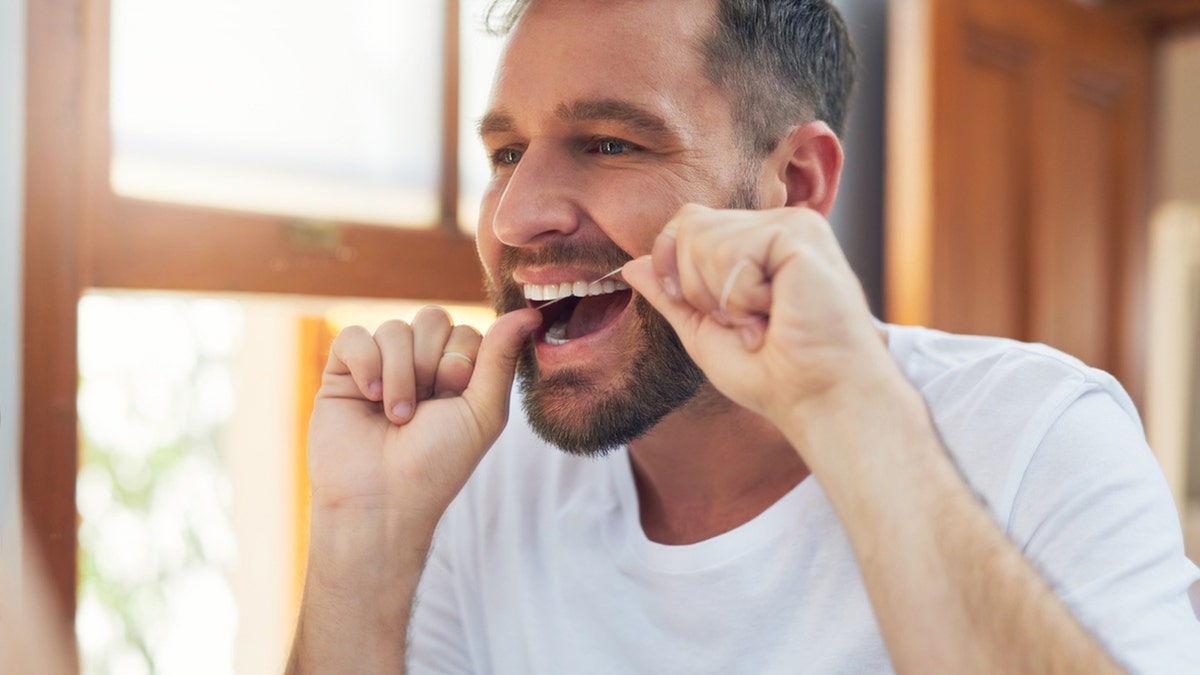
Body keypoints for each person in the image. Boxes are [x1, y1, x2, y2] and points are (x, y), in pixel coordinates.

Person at [287, 0, 1200, 672]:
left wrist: (845, 408)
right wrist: (359, 538)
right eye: (506, 154)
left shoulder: (1041, 436)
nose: (516, 216)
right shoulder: (480, 478)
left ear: (795, 184)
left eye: (610, 143)